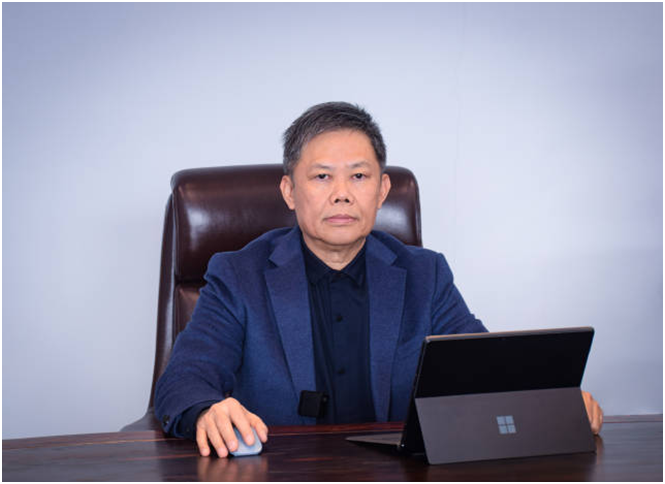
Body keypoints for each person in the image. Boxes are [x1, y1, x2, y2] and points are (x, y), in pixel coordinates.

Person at [154, 102, 603, 458]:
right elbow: (182, 381)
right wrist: (208, 411)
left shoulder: (425, 275)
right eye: (322, 177)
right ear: (290, 191)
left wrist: (554, 400)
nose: (342, 194)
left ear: (382, 191)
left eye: (359, 176)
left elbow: (484, 371)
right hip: (283, 471)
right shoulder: (239, 275)